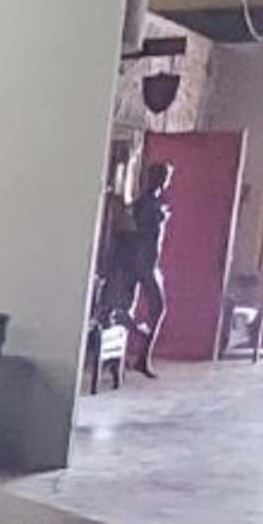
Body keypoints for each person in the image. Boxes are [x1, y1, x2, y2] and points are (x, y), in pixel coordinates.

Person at [100, 160, 171, 379]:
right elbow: (135, 233)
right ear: (159, 178)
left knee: (137, 308)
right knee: (154, 307)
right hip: (142, 263)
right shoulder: (145, 204)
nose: (167, 181)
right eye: (166, 176)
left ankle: (132, 356)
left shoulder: (153, 202)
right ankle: (137, 347)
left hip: (147, 262)